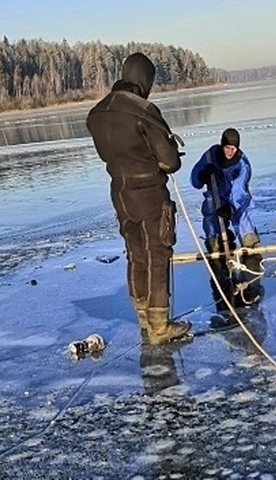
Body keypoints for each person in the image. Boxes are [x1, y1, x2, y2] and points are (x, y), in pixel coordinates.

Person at [86, 52, 190, 345]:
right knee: (157, 251)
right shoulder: (143, 110)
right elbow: (169, 162)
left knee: (135, 252)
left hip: (119, 193)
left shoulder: (98, 113)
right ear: (144, 79)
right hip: (148, 194)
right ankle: (159, 325)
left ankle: (144, 316)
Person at [190, 128, 260, 253]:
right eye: (227, 147)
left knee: (241, 214)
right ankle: (214, 240)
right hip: (216, 193)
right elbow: (195, 180)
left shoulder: (242, 164)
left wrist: (231, 209)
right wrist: (202, 176)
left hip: (235, 196)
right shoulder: (210, 156)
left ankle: (249, 241)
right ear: (222, 145)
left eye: (233, 148)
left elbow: (239, 191)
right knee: (210, 207)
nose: (230, 152)